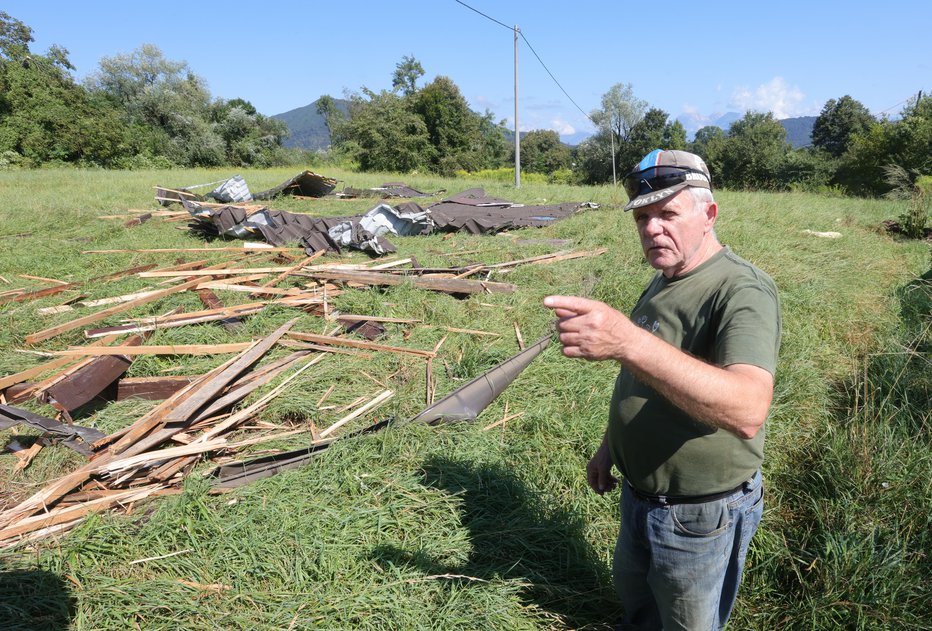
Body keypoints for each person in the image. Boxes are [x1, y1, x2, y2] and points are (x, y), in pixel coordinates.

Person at [544, 149, 781, 630]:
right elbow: (641, 377)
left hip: (698, 515)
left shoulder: (742, 290)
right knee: (638, 604)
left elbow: (748, 407)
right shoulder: (665, 278)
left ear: (708, 214)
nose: (653, 229)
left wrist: (627, 340)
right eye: (643, 217)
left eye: (668, 213)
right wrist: (609, 449)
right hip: (639, 493)